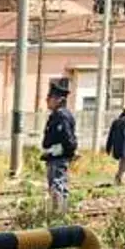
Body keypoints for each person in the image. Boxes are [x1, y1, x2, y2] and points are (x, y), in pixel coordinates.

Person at [42, 78, 77, 212]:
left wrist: (55, 152)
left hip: (59, 158)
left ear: (59, 100)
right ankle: (57, 213)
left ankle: (61, 214)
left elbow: (68, 141)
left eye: (49, 97)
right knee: (54, 186)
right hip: (54, 157)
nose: (47, 100)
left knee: (58, 186)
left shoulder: (62, 116)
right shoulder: (56, 115)